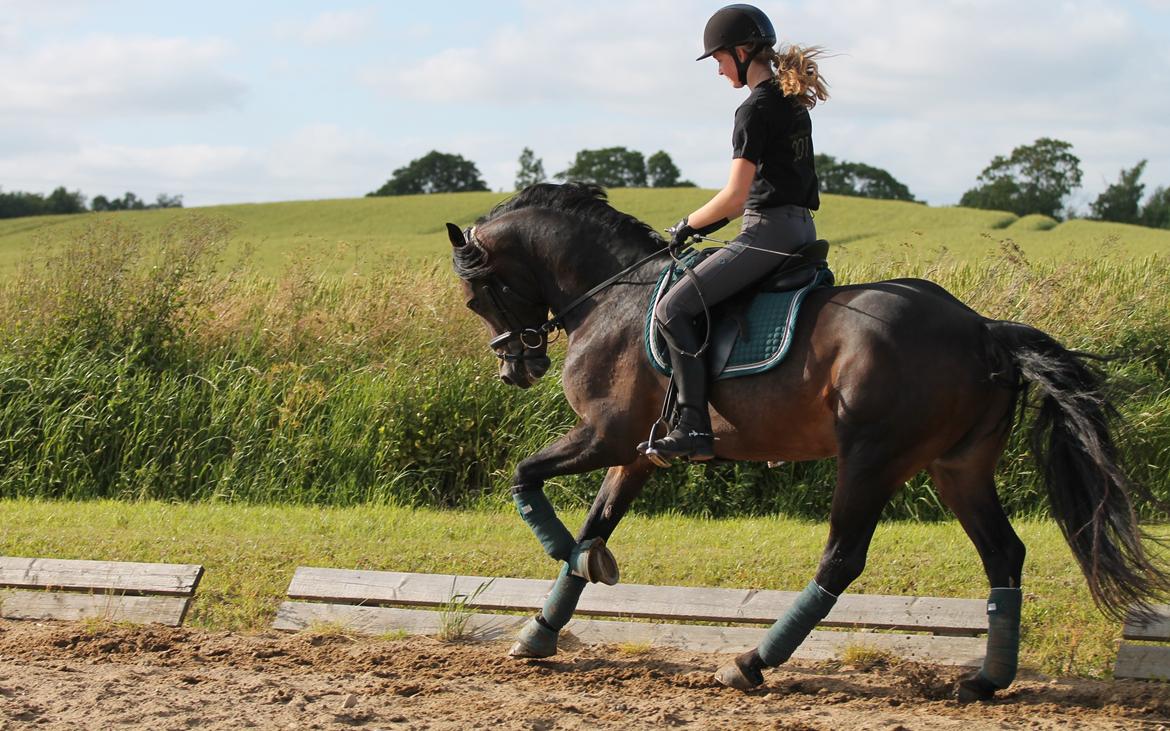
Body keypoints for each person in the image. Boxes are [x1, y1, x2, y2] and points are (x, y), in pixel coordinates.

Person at [640, 3, 830, 463]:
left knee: (672, 309)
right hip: (802, 231)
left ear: (743, 52)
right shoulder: (792, 103)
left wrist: (687, 225)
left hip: (767, 233)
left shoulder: (754, 110)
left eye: (721, 59)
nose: (719, 69)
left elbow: (735, 197)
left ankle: (692, 428)